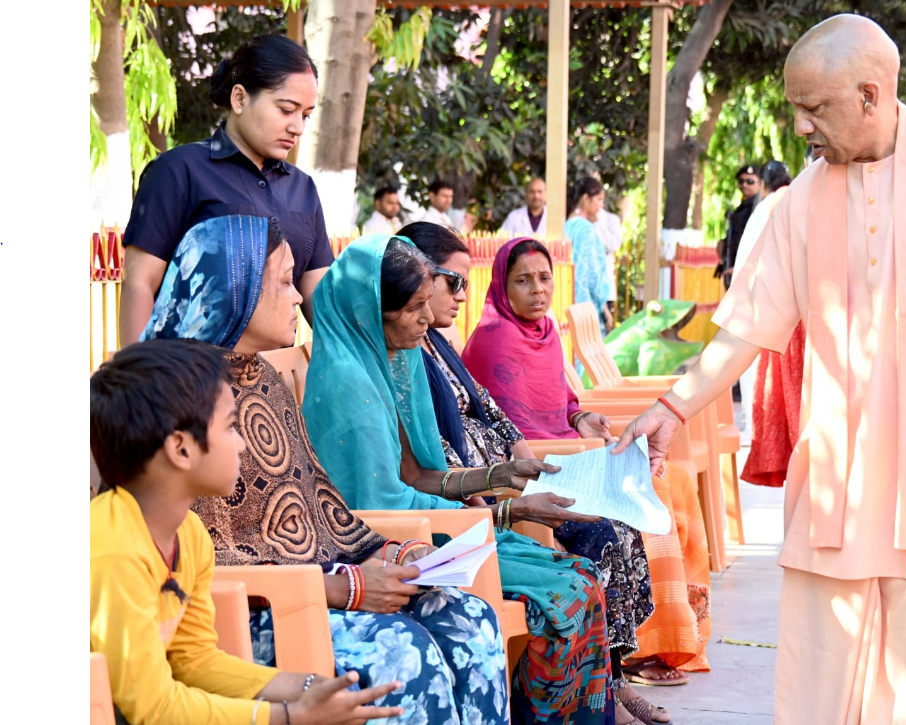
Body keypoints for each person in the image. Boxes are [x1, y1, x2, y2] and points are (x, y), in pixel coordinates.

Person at [614, 14, 906, 724]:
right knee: (817, 690)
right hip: (837, 494)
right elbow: (744, 329)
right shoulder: (797, 206)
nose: (799, 127)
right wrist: (671, 407)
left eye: (813, 108)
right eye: (795, 106)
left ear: (869, 94)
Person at [139, 215, 511, 725]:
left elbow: (322, 506)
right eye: (285, 281)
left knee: (469, 617)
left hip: (324, 581)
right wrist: (345, 587)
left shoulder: (264, 379)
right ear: (236, 284)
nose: (298, 297)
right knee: (403, 655)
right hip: (254, 615)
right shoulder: (177, 404)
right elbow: (204, 563)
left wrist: (399, 555)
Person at [302, 232, 624, 725]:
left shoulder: (385, 360)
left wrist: (498, 475)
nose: (429, 318)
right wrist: (507, 510)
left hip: (430, 527)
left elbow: (414, 472)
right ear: (372, 311)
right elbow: (381, 508)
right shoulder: (352, 392)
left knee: (580, 575)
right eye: (414, 308)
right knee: (569, 592)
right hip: (391, 545)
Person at [406, 223, 678, 724]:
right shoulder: (434, 350)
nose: (459, 296)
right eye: (452, 282)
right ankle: (605, 687)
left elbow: (496, 412)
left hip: (522, 471)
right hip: (482, 492)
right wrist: (513, 491)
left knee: (621, 522)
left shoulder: (440, 345)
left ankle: (610, 678)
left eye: (544, 278)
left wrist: (549, 462)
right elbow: (433, 457)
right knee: (600, 535)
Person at [91, 338, 405, 725]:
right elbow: (152, 708)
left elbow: (196, 661)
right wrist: (288, 717)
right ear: (181, 449)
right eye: (230, 427)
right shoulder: (114, 551)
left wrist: (311, 689)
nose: (242, 444)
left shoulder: (187, 534)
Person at [119, 35, 331, 348]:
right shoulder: (179, 171)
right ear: (240, 99)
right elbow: (140, 282)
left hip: (275, 383)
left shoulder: (303, 188)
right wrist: (139, 381)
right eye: (287, 110)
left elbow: (317, 292)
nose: (297, 127)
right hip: (192, 378)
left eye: (306, 115)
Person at [730, 161, 795, 449]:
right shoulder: (791, 200)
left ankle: (763, 425)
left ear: (765, 184)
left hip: (760, 299)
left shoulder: (768, 206)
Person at [564, 178, 613, 334]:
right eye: (599, 200)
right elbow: (592, 274)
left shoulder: (567, 225)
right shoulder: (585, 229)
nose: (601, 206)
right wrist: (603, 306)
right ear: (586, 199)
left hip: (565, 303)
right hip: (586, 309)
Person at [715, 164, 760, 289]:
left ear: (760, 184)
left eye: (750, 181)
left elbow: (758, 244)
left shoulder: (759, 209)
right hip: (734, 272)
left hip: (750, 274)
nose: (744, 185)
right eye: (741, 181)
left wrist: (742, 268)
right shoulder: (737, 211)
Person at [596, 208, 623, 323]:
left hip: (604, 289)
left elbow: (614, 245)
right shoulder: (578, 219)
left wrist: (597, 223)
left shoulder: (611, 220)